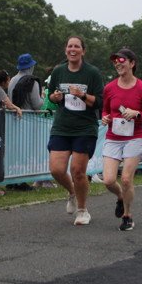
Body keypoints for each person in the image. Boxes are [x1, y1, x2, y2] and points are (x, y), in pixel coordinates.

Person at [46, 36, 104, 226]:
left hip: (85, 127)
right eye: (70, 46)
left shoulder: (92, 73)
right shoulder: (58, 71)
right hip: (62, 126)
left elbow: (100, 102)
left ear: (83, 51)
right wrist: (55, 97)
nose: (73, 49)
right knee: (56, 169)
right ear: (66, 50)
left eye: (76, 46)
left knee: (78, 171)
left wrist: (82, 95)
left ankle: (82, 210)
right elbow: (51, 97)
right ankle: (72, 192)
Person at [101, 49, 142, 231]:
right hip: (113, 137)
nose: (117, 64)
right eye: (115, 61)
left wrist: (137, 114)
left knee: (126, 179)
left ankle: (127, 216)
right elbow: (105, 110)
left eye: (121, 60)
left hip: (135, 137)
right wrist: (105, 118)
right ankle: (120, 197)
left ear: (132, 63)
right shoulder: (109, 88)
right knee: (108, 180)